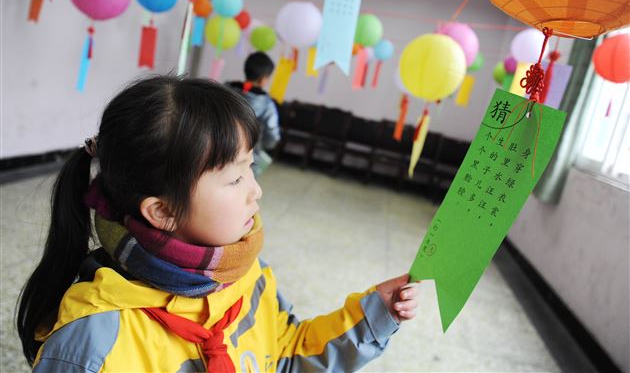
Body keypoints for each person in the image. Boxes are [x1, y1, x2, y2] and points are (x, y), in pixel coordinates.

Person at [16, 76, 420, 373]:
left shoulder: (243, 272)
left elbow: (283, 353)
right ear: (162, 212)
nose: (256, 191)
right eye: (236, 178)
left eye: (251, 168)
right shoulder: (93, 347)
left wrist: (371, 319)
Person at [227, 51, 280, 177]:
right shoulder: (267, 105)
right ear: (264, 79)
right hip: (248, 157)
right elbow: (272, 138)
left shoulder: (225, 89)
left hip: (219, 148)